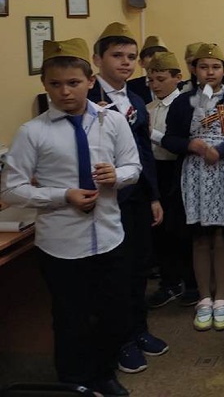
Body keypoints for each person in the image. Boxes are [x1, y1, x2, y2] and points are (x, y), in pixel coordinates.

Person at [1, 38, 141, 396]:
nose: (65, 92)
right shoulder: (33, 132)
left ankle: (104, 373)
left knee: (112, 314)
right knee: (70, 318)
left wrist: (117, 176)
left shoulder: (112, 121)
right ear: (45, 85)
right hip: (61, 244)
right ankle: (73, 381)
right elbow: (11, 189)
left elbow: (133, 167)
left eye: (74, 83)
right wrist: (62, 195)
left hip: (108, 236)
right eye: (56, 84)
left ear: (90, 81)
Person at [162, 43, 224, 332]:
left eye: (215, 67)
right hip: (194, 175)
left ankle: (221, 297)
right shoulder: (183, 102)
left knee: (222, 237)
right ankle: (204, 297)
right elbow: (169, 139)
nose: (210, 72)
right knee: (200, 238)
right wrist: (189, 145)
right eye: (204, 67)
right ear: (194, 70)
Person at [89, 22, 166, 375]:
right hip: (105, 198)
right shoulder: (87, 98)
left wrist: (153, 196)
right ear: (97, 59)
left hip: (136, 196)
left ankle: (139, 330)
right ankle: (121, 340)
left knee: (138, 267)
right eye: (117, 55)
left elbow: (144, 152)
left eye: (131, 57)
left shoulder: (135, 99)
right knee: (113, 273)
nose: (125, 63)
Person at [145, 51, 199, 309]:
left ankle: (190, 282)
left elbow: (182, 141)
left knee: (181, 230)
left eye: (161, 79)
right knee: (159, 231)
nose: (155, 85)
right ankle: (169, 281)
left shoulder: (185, 105)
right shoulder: (149, 108)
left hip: (177, 170)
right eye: (151, 80)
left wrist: (151, 134)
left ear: (177, 78)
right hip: (154, 171)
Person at [128, 35, 168, 104]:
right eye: (151, 56)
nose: (156, 58)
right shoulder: (131, 87)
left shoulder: (180, 86)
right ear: (141, 63)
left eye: (161, 55)